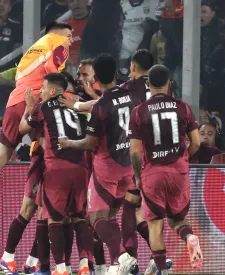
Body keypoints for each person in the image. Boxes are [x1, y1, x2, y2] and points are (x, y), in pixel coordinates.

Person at [0, 22, 73, 227]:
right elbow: (51, 72)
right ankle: (61, 197)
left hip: (14, 102)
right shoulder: (60, 45)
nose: (71, 39)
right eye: (69, 34)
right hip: (36, 100)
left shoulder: (32, 51)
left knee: (1, 156)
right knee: (49, 147)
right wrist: (64, 93)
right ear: (57, 33)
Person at [58, 54, 137, 275]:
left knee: (96, 218)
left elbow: (90, 143)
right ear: (115, 75)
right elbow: (101, 104)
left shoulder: (102, 106)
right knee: (110, 217)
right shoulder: (130, 96)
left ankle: (122, 257)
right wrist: (80, 105)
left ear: (96, 80)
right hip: (128, 166)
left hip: (107, 168)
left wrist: (68, 143)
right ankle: (115, 263)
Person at [128, 65, 203, 275]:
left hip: (153, 172)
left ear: (147, 84)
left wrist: (137, 176)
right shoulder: (183, 107)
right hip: (178, 170)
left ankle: (162, 270)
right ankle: (189, 236)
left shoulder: (138, 111)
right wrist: (184, 157)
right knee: (177, 220)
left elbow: (134, 152)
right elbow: (196, 142)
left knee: (154, 225)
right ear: (169, 83)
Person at [19, 73, 94, 275]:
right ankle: (85, 266)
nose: (41, 91)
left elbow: (22, 128)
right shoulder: (77, 103)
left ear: (52, 90)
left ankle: (61, 269)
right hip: (81, 166)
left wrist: (28, 107)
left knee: (54, 219)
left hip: (57, 167)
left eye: (43, 87)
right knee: (80, 218)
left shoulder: (42, 107)